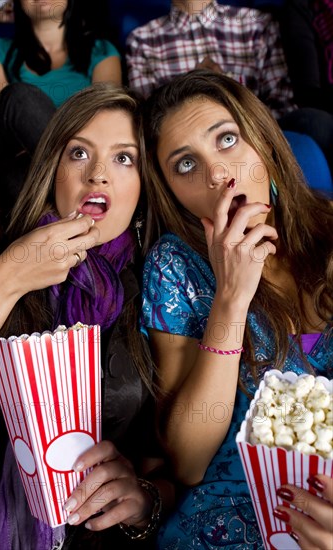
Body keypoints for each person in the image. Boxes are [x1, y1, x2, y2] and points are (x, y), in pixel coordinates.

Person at [0, 83, 174, 549]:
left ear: (142, 191)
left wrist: (143, 500)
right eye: (79, 153)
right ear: (53, 169)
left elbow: (169, 468)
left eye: (124, 159)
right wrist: (8, 276)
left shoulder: (158, 292)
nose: (98, 174)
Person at [140, 69, 333, 549]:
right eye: (186, 165)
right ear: (172, 192)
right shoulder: (175, 265)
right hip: (222, 527)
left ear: (263, 141)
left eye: (227, 140)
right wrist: (230, 298)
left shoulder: (329, 230)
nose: (217, 174)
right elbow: (188, 462)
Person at [126, 0, 333, 179]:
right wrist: (192, 86)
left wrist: (231, 93)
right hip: (190, 151)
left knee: (314, 123)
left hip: (260, 131)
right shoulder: (143, 40)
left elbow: (282, 102)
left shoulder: (257, 24)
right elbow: (149, 125)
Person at [0, 0, 122, 212]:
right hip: (16, 171)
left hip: (81, 164)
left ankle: (66, 194)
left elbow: (104, 122)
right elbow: (3, 113)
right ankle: (70, 185)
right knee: (17, 97)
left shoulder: (102, 52)